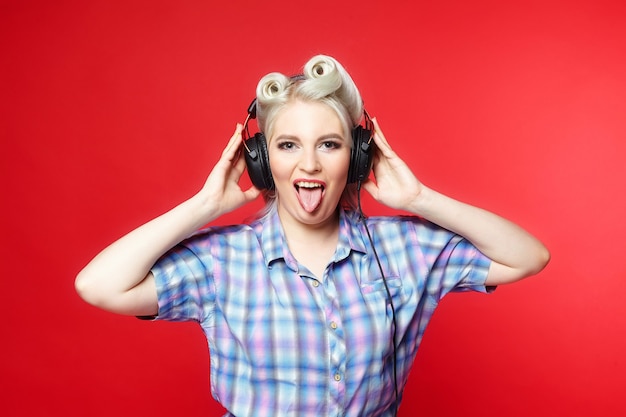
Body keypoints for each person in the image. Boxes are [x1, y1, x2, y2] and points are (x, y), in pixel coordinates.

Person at [75, 55, 550, 416]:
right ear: (262, 161)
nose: (309, 165)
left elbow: (528, 256)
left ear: (358, 158)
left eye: (329, 144)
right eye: (287, 145)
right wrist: (202, 208)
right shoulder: (223, 261)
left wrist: (420, 198)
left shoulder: (403, 249)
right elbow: (98, 286)